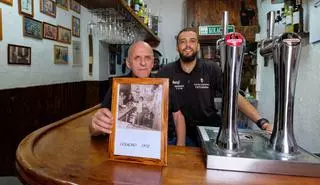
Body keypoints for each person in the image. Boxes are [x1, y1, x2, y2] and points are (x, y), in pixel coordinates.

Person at [157, 28, 273, 146]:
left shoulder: (211, 69)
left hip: (208, 129)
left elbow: (233, 95)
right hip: (178, 134)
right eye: (182, 41)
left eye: (192, 41)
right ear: (177, 47)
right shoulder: (166, 72)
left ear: (198, 46)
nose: (187, 45)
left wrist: (262, 122)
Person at [89, 41, 186, 146]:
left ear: (153, 62)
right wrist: (95, 126)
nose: (143, 63)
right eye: (137, 58)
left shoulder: (164, 85)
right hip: (129, 142)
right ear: (128, 63)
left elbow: (178, 117)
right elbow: (95, 129)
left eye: (147, 58)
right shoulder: (118, 86)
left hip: (165, 142)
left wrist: (180, 148)